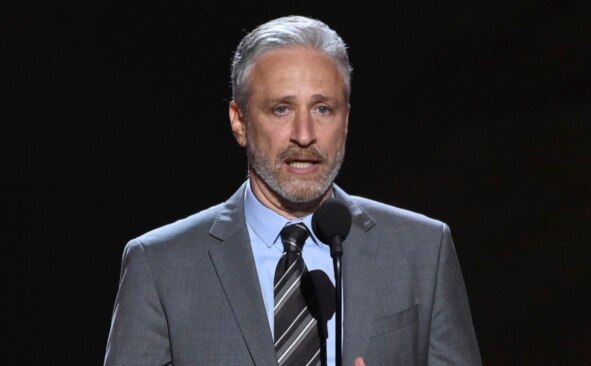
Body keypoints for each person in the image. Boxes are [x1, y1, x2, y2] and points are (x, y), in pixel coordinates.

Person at [104, 15, 481, 366]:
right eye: (282, 109)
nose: (304, 135)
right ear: (239, 122)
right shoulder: (160, 266)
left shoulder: (423, 251)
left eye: (322, 109)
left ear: (346, 120)